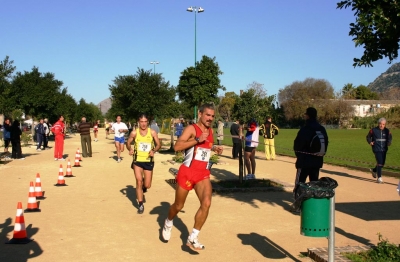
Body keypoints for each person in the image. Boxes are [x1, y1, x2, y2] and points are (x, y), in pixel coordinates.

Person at [162, 103, 223, 250]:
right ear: (200, 114)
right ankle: (168, 222)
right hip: (187, 172)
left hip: (202, 174)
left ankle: (193, 237)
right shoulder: (191, 129)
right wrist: (197, 139)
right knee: (178, 205)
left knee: (207, 203)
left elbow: (205, 147)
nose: (210, 118)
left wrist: (214, 148)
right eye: (208, 115)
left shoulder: (210, 131)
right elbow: (177, 147)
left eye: (212, 116)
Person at [126, 114, 161, 214]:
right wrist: (130, 149)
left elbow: (158, 145)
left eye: (145, 121)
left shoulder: (152, 132)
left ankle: (144, 188)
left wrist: (153, 151)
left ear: (148, 122)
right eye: (142, 121)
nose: (144, 124)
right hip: (137, 160)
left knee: (147, 184)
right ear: (138, 122)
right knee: (138, 181)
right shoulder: (134, 133)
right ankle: (140, 204)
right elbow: (128, 143)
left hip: (148, 161)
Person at [293, 107, 328, 188]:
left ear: (307, 116)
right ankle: (313, 200)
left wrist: (299, 156)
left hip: (304, 161)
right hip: (317, 161)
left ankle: (298, 199)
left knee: (299, 185)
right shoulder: (321, 128)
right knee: (314, 185)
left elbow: (298, 144)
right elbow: (325, 143)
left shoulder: (305, 129)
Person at [366, 117, 392, 184]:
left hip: (384, 149)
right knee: (379, 162)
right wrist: (370, 142)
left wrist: (389, 142)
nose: (381, 125)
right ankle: (379, 178)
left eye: (383, 124)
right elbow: (368, 137)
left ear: (385, 124)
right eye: (380, 124)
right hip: (376, 148)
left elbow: (390, 137)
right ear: (378, 124)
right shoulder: (373, 130)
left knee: (382, 164)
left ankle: (374, 170)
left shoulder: (387, 131)